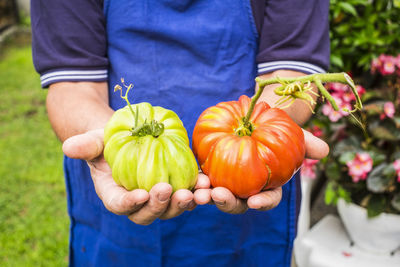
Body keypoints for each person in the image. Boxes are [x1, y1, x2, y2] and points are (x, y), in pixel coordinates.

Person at [31, 0, 330, 266]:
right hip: (117, 196)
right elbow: (72, 84)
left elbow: (292, 70)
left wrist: (271, 134)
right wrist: (104, 137)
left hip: (251, 206)